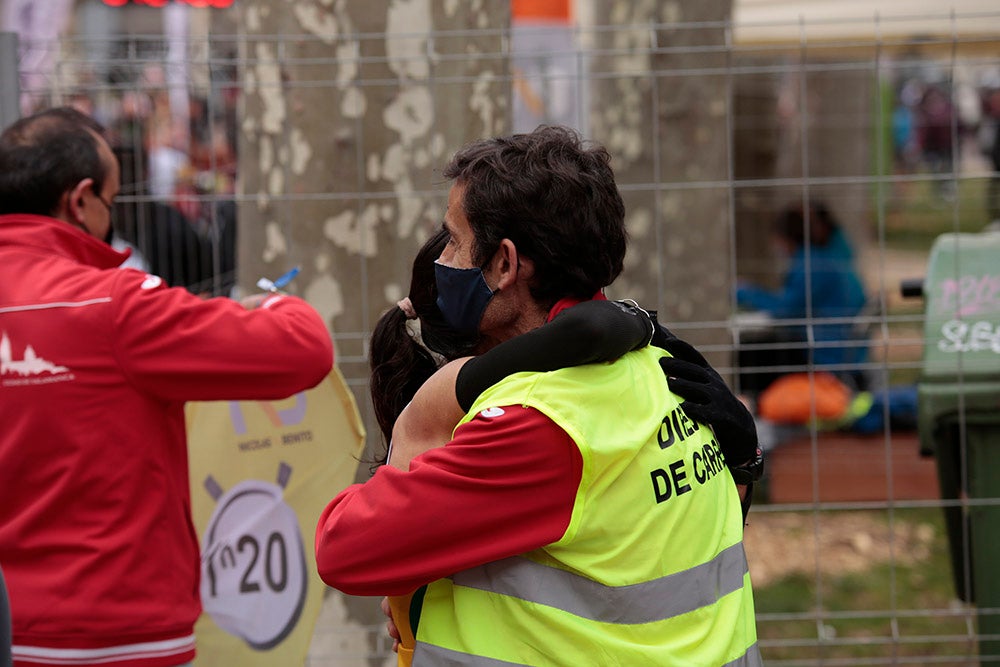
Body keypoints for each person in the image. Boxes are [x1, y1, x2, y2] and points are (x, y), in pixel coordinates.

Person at [316, 125, 760, 665]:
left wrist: (417, 428)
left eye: (454, 241)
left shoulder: (538, 422)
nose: (443, 260)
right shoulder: (662, 366)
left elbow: (344, 550)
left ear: (504, 264)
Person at [0, 107, 333, 667]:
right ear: (79, 201)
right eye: (111, 202)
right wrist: (272, 302)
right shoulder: (114, 304)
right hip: (115, 630)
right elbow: (301, 350)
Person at [737, 200, 869, 395]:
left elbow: (785, 311)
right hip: (840, 350)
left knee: (750, 353)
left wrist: (742, 291)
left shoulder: (811, 264)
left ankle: (753, 409)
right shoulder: (831, 257)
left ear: (786, 238)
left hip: (824, 354)